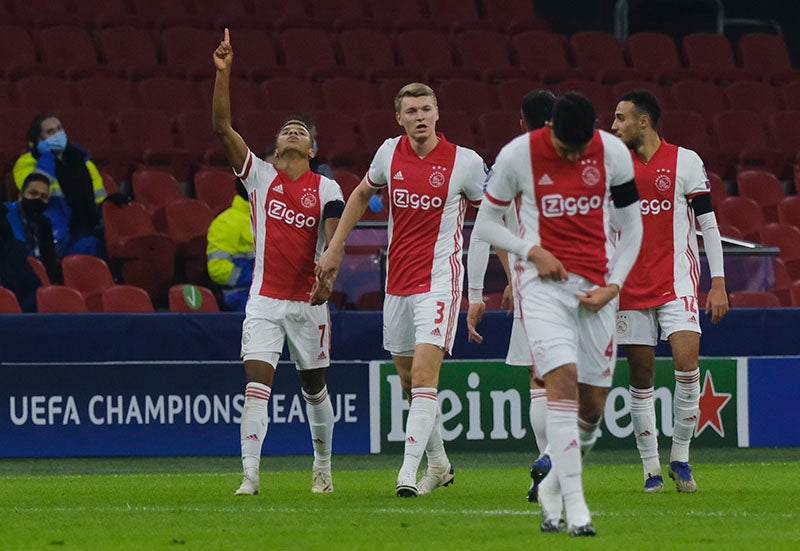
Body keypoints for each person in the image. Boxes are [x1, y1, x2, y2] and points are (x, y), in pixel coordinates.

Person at [474, 92, 643, 536]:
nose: (572, 156)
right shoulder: (518, 155)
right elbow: (486, 225)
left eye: (579, 148)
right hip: (541, 284)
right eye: (565, 149)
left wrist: (614, 285)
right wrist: (531, 251)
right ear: (550, 131)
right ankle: (576, 506)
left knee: (593, 407)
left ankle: (552, 484)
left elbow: (632, 227)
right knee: (561, 381)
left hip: (597, 287)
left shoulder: (612, 153)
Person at [315, 82, 486, 497]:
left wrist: (482, 288)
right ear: (399, 118)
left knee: (426, 376)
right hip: (397, 285)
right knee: (409, 382)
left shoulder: (465, 162)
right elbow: (359, 194)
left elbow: (494, 216)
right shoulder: (388, 153)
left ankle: (407, 473)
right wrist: (334, 247)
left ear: (438, 113)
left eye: (426, 109)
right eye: (411, 111)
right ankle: (440, 465)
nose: (420, 117)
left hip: (440, 283)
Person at [212, 29, 345, 495]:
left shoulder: (327, 188)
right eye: (286, 129)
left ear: (312, 150)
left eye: (302, 131)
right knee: (256, 386)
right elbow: (223, 129)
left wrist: (328, 270)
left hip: (308, 303)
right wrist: (223, 73)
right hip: (264, 301)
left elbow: (333, 234)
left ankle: (323, 467)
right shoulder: (259, 177)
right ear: (274, 146)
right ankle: (250, 474)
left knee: (315, 390)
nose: (293, 130)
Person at [611, 90, 729, 493]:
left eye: (621, 118)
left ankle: (680, 456)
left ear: (643, 121)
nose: (614, 126)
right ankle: (651, 469)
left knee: (686, 362)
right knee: (641, 375)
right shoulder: (614, 165)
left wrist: (718, 282)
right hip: (629, 286)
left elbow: (708, 225)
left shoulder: (686, 161)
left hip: (677, 282)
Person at [464, 89, 557, 503]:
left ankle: (546, 460)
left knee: (539, 380)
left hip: (531, 285)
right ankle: (554, 459)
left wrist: (481, 290)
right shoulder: (588, 156)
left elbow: (485, 227)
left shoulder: (508, 161)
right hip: (580, 279)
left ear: (522, 121)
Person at [12, 113, 106, 257]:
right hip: (53, 229)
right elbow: (38, 190)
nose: (58, 134)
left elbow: (99, 195)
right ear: (39, 140)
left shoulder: (80, 158)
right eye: (50, 132)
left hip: (87, 223)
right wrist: (47, 156)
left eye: (59, 129)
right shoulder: (26, 163)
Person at [1, 173, 62, 311]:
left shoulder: (44, 224)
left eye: (43, 197)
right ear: (21, 195)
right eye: (33, 193)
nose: (37, 200)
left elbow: (49, 263)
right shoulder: (4, 215)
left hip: (34, 285)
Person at [206, 178, 254, 311]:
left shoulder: (275, 218)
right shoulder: (225, 223)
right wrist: (255, 278)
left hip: (274, 296)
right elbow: (217, 268)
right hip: (241, 297)